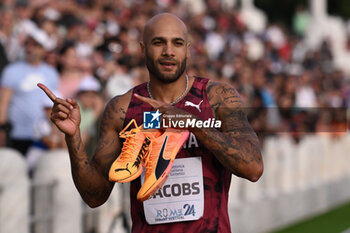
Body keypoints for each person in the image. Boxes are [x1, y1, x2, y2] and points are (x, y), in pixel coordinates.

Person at [38, 13, 263, 232]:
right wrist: (73, 136)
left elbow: (253, 168)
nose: (168, 51)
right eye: (158, 42)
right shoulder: (122, 109)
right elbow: (94, 196)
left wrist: (192, 124)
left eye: (177, 43)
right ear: (143, 49)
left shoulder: (216, 97)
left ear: (187, 50)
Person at [0, 27, 59, 155]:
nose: (30, 48)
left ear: (43, 49)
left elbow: (53, 105)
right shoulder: (12, 70)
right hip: (16, 134)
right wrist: (2, 132)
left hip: (42, 136)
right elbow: (3, 104)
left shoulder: (51, 73)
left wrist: (54, 134)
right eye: (28, 44)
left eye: (35, 45)